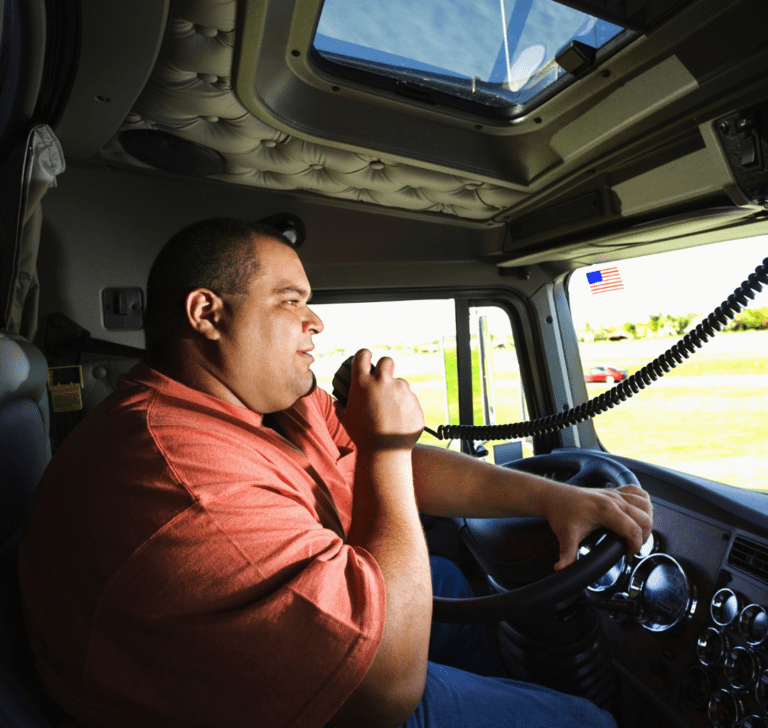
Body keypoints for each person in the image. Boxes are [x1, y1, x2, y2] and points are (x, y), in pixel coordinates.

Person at [18, 218, 653, 728]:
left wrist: (551, 498)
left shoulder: (267, 405)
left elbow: (392, 469)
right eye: (291, 301)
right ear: (207, 314)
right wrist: (386, 447)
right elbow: (388, 692)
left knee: (446, 578)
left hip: (290, 656)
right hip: (293, 700)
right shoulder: (187, 480)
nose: (316, 320)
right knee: (588, 719)